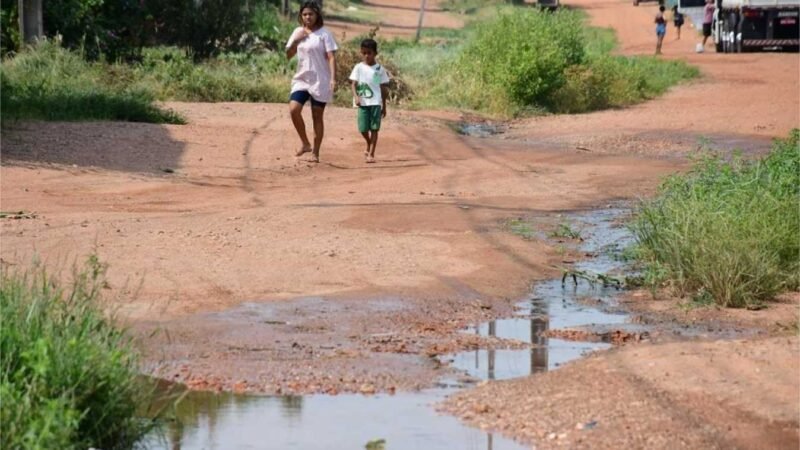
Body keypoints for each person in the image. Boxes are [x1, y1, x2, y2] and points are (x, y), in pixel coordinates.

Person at [285, 1, 338, 163]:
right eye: (305, 14)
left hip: (320, 80)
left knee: (317, 116)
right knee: (294, 109)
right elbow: (288, 55)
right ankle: (305, 143)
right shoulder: (298, 32)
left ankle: (315, 152)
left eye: (311, 14)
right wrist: (296, 41)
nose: (308, 17)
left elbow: (331, 57)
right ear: (301, 16)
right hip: (302, 79)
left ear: (317, 15)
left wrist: (333, 78)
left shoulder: (324, 34)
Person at [349, 39, 390, 164]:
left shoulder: (378, 69)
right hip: (362, 103)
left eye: (369, 53)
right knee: (363, 129)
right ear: (361, 53)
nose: (366, 56)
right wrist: (356, 97)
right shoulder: (359, 68)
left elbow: (381, 88)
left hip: (375, 103)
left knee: (374, 129)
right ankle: (368, 142)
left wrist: (384, 105)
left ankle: (371, 154)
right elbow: (353, 84)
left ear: (375, 53)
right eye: (364, 53)